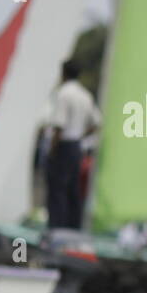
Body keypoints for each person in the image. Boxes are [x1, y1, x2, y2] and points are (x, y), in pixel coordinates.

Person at [45, 59, 101, 229]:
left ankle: (57, 227)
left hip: (64, 145)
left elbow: (59, 126)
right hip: (76, 145)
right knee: (73, 190)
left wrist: (52, 150)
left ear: (63, 73)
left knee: (58, 190)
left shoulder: (64, 93)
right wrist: (81, 136)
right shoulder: (85, 94)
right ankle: (73, 227)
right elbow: (96, 122)